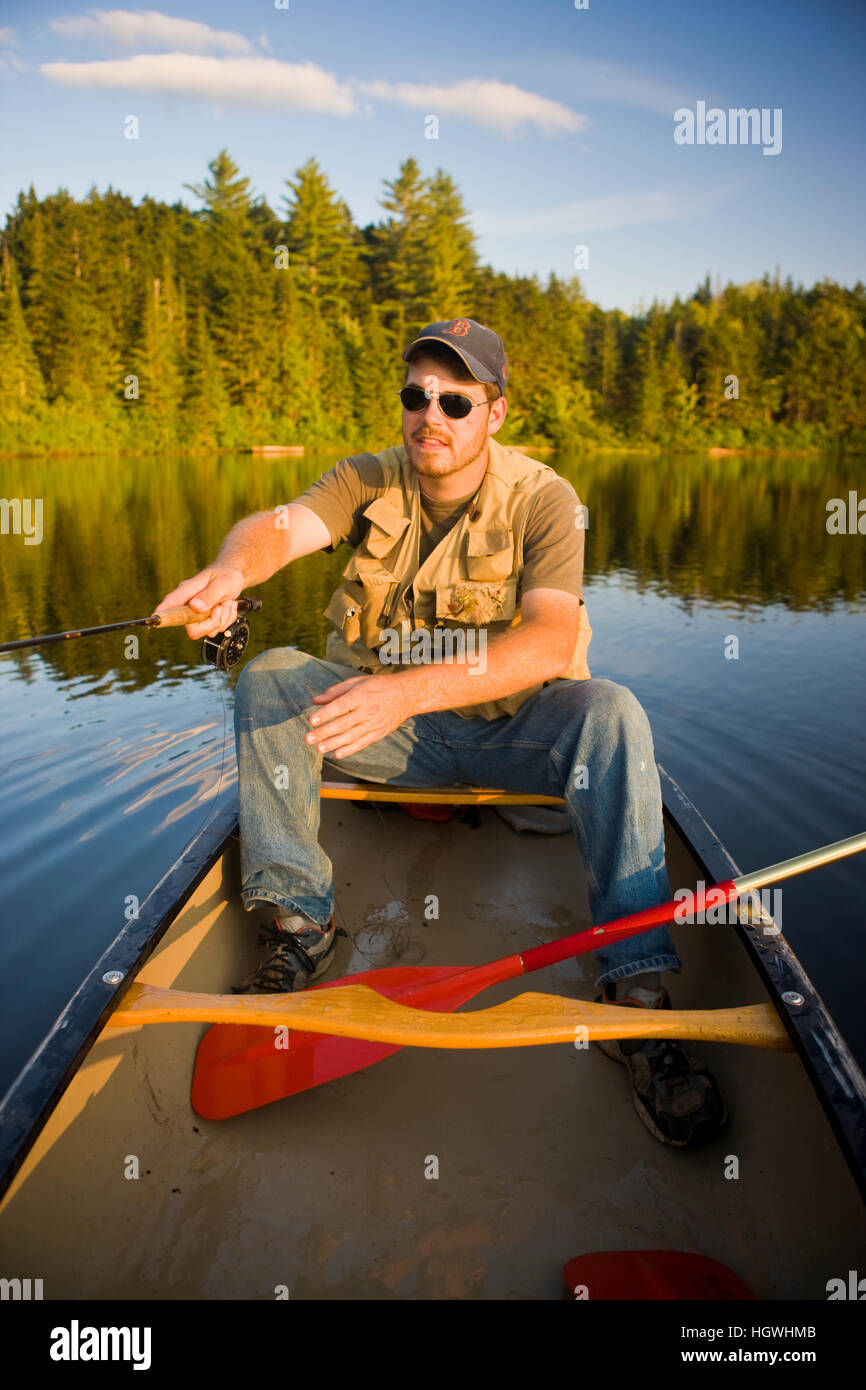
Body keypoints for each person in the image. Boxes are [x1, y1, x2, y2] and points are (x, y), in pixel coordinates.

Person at [156, 317, 725, 1148]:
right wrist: (229, 572)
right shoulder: (367, 480)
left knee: (613, 712)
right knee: (272, 673)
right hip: (391, 742)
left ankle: (635, 993)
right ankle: (301, 929)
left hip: (509, 739)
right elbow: (281, 525)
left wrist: (403, 691)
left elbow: (551, 640)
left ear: (494, 411)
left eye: (455, 399)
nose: (432, 414)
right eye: (416, 395)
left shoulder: (545, 499)